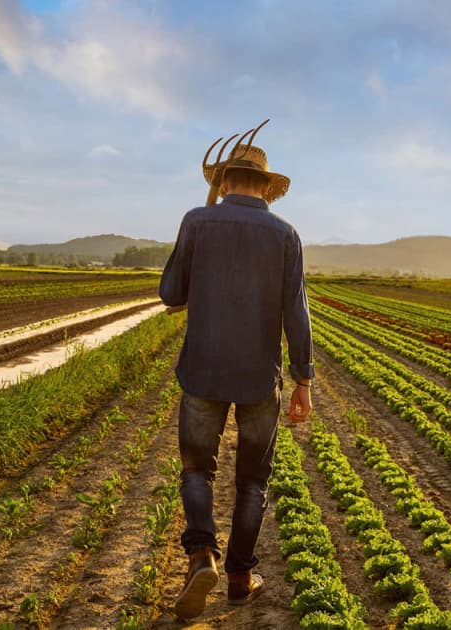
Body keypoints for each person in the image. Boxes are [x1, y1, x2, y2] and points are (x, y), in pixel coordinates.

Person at [159, 121, 314, 620]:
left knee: (196, 469)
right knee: (253, 480)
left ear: (223, 183)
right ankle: (241, 577)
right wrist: (304, 380)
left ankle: (201, 554)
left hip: (203, 370)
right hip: (258, 379)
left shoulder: (196, 221)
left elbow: (171, 294)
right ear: (267, 188)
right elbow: (297, 313)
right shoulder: (286, 234)